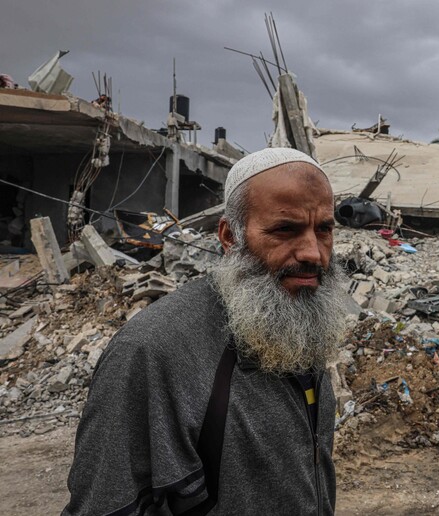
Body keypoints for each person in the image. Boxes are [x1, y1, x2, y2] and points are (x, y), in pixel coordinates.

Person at [63, 148, 347, 515]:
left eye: (323, 229)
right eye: (285, 229)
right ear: (230, 237)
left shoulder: (297, 320)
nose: (313, 252)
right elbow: (104, 505)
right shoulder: (154, 351)